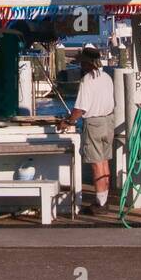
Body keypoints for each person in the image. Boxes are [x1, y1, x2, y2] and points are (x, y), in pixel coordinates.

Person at [57, 43, 116, 213]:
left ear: (88, 63)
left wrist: (67, 122)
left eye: (83, 62)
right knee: (104, 162)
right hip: (109, 122)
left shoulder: (87, 80)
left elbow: (79, 109)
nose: (81, 65)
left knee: (97, 164)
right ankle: (104, 198)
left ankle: (100, 203)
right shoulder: (107, 78)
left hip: (95, 124)